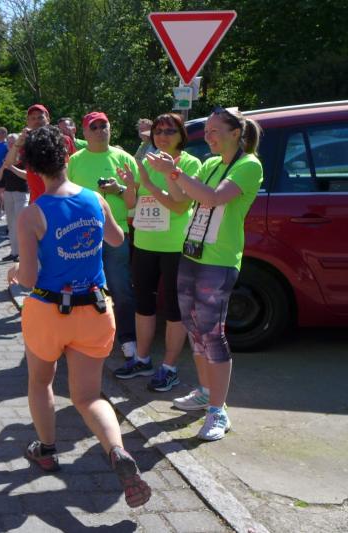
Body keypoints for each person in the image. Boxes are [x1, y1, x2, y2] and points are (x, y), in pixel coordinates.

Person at [7, 125, 151, 508]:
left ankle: (47, 450)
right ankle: (116, 450)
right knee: (88, 396)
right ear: (67, 157)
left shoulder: (32, 214)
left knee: (41, 381)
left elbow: (29, 278)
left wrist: (16, 271)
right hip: (96, 309)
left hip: (49, 311)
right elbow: (117, 239)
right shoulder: (95, 199)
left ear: (32, 168)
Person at [145, 107, 263, 440]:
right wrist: (171, 175)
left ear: (235, 133)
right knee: (195, 329)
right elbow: (184, 200)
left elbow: (212, 198)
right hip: (192, 253)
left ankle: (218, 411)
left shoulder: (248, 165)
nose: (208, 136)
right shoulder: (210, 164)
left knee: (213, 333)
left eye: (214, 131)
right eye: (206, 131)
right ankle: (205, 392)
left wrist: (175, 172)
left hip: (219, 260)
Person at [113, 114, 202, 392]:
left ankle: (169, 368)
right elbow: (131, 203)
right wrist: (130, 184)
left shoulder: (190, 163)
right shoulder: (145, 161)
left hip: (176, 246)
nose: (162, 135)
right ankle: (142, 359)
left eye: (169, 131)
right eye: (158, 131)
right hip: (145, 243)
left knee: (175, 309)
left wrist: (158, 179)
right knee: (143, 304)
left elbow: (179, 205)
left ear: (181, 135)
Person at [67, 111, 138, 359]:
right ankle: (83, 338)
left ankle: (128, 339)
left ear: (110, 128)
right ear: (85, 133)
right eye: (94, 127)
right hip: (81, 235)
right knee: (83, 288)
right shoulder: (74, 160)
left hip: (118, 232)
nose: (99, 131)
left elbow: (134, 202)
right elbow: (65, 196)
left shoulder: (125, 158)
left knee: (121, 288)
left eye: (103, 126)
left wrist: (118, 189)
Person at [0, 133, 28, 262]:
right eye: (8, 142)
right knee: (11, 224)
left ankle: (23, 253)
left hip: (22, 193)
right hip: (8, 193)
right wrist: (3, 167)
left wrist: (11, 167)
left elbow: (27, 175)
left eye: (12, 141)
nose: (9, 144)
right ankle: (14, 252)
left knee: (21, 224)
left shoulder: (24, 156)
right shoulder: (6, 157)